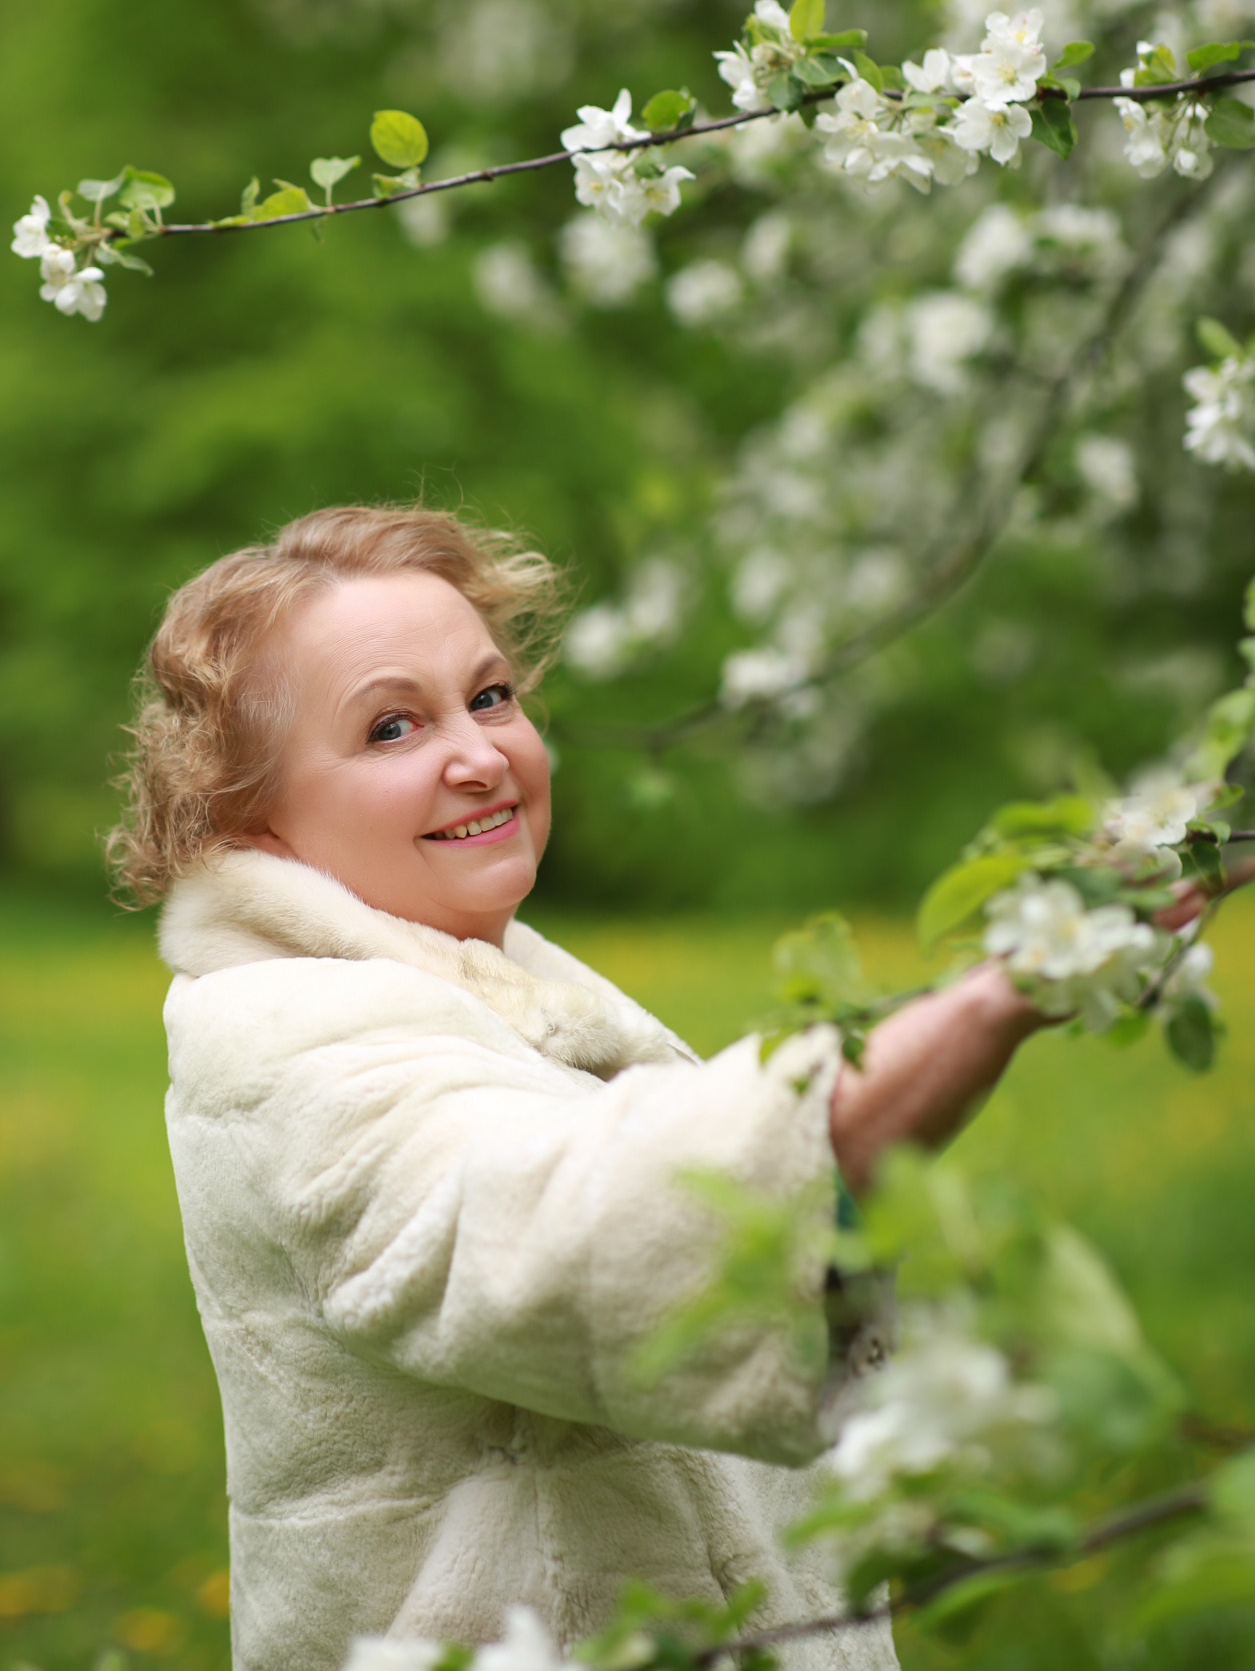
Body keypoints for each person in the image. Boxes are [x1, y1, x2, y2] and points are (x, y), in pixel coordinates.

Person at [107, 504, 1061, 1671]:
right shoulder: (287, 1047)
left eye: (490, 696)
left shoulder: (503, 983)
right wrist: (984, 1004)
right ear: (252, 817)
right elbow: (577, 1236)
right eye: (393, 725)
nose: (477, 753)